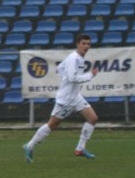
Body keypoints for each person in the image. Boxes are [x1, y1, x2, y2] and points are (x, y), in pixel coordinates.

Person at [23, 34, 98, 162]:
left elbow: (59, 68)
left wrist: (66, 81)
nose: (86, 46)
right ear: (77, 44)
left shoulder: (77, 58)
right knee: (52, 125)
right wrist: (90, 75)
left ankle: (80, 149)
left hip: (75, 96)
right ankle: (29, 146)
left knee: (93, 118)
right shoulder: (74, 58)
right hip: (67, 99)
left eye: (88, 44)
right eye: (83, 43)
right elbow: (72, 78)